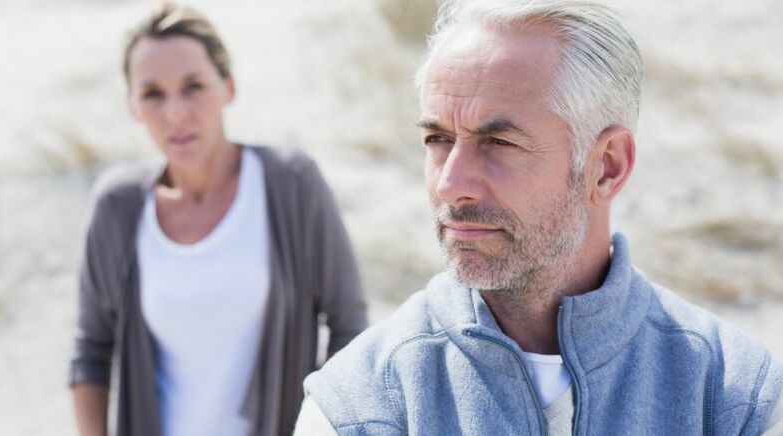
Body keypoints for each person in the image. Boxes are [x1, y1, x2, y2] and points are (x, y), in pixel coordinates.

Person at [294, 0, 783, 434]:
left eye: (498, 143)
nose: (450, 184)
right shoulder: (358, 408)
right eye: (438, 139)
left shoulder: (738, 399)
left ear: (607, 167)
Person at [68, 4, 368, 436]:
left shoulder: (291, 184)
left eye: (193, 86)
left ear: (228, 86)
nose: (175, 113)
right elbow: (91, 352)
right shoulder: (116, 207)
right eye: (152, 93)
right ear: (132, 105)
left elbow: (349, 328)